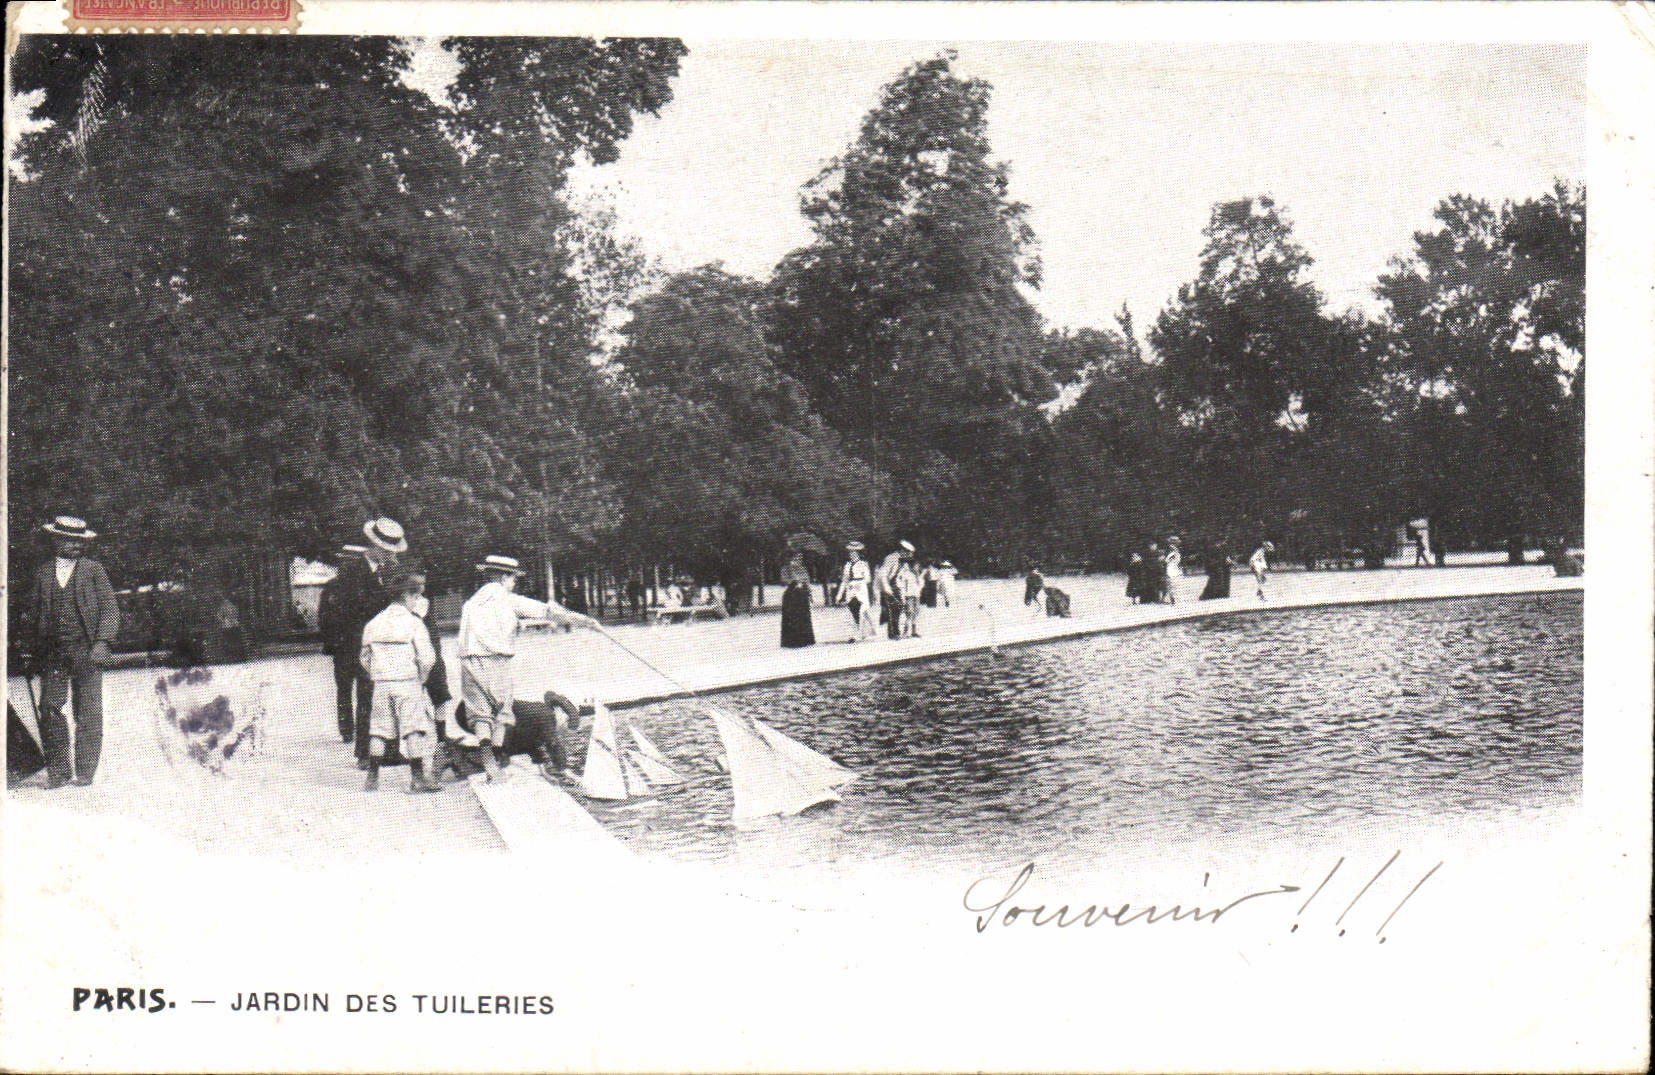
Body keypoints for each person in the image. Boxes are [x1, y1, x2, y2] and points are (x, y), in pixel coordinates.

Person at [458, 554, 598, 781]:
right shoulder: (509, 600)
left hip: (468, 661)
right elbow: (548, 612)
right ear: (504, 578)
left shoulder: (470, 603)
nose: (514, 584)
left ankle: (488, 758)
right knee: (502, 713)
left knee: (480, 714)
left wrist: (516, 625)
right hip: (497, 661)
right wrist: (585, 621)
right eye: (513, 579)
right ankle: (497, 758)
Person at [25, 516, 121, 789]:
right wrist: (31, 652)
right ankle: (59, 771)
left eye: (80, 541)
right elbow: (33, 615)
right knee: (49, 707)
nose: (76, 546)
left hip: (87, 651)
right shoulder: (43, 573)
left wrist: (103, 643)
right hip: (53, 652)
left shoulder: (93, 570)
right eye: (69, 540)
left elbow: (110, 610)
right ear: (56, 540)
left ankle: (85, 771)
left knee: (88, 710)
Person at [358, 570, 441, 793]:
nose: (417, 602)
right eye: (416, 597)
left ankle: (372, 778)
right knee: (413, 729)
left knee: (378, 729)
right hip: (407, 682)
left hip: (381, 684)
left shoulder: (374, 623)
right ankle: (417, 779)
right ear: (409, 596)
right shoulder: (414, 623)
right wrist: (422, 677)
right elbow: (427, 658)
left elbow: (364, 657)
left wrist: (377, 672)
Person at [336, 518, 406, 768]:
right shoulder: (352, 572)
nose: (390, 555)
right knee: (367, 696)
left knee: (392, 693)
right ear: (373, 546)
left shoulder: (391, 571)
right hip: (362, 643)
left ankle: (391, 749)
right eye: (386, 550)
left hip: (389, 641)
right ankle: (365, 753)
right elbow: (349, 612)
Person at [317, 543, 369, 743]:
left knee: (364, 688)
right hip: (343, 647)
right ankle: (347, 729)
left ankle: (362, 728)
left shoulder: (365, 586)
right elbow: (323, 617)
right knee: (344, 688)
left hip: (362, 646)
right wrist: (331, 642)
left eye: (349, 563)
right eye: (342, 562)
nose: (345, 566)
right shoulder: (331, 587)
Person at [836, 541, 875, 642]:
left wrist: (859, 583)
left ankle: (860, 633)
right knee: (851, 611)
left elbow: (868, 579)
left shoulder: (863, 564)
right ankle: (853, 635)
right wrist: (839, 595)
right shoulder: (847, 565)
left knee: (861, 610)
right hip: (850, 591)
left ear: (858, 554)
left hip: (861, 590)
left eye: (854, 553)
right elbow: (844, 581)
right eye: (850, 553)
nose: (852, 555)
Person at [878, 540, 916, 639]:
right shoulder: (891, 558)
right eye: (908, 553)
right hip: (888, 584)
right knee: (893, 608)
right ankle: (893, 633)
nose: (909, 556)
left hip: (897, 585)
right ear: (903, 551)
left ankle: (896, 632)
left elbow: (902, 575)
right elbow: (882, 574)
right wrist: (887, 587)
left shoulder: (902, 560)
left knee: (899, 607)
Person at [779, 551, 816, 648]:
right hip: (791, 595)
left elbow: (807, 582)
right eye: (797, 557)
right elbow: (783, 580)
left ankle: (805, 640)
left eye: (800, 557)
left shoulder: (803, 569)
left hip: (802, 595)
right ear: (792, 557)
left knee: (803, 617)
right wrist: (794, 582)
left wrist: (809, 593)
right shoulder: (786, 569)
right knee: (792, 618)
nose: (799, 559)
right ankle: (792, 641)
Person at [894, 554, 923, 638]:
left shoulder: (917, 574)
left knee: (916, 613)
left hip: (916, 595)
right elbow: (900, 583)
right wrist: (902, 595)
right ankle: (905, 632)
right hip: (908, 595)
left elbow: (920, 585)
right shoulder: (905, 573)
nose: (917, 567)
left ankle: (914, 631)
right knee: (909, 613)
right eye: (916, 566)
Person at [1163, 537, 1183, 605]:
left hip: (1173, 568)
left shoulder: (1175, 552)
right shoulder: (1172, 552)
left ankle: (1173, 598)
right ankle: (1172, 598)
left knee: (1173, 584)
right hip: (1171, 568)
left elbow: (1176, 560)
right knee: (1171, 584)